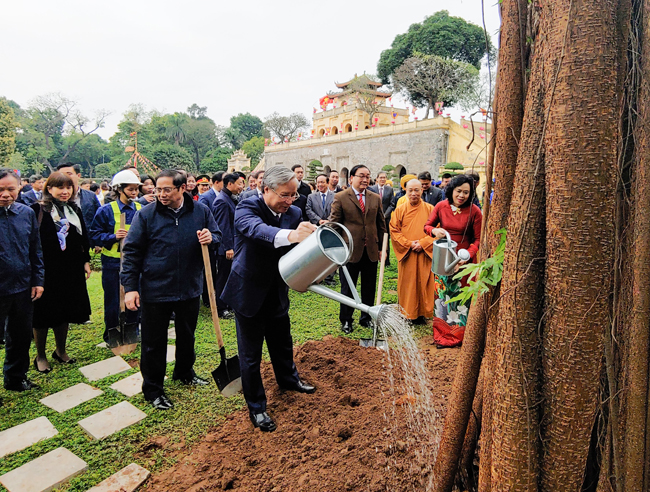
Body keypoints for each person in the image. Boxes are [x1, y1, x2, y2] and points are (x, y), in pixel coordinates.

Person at [221, 166, 317, 432]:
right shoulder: (246, 208)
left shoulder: (295, 212)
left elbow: (302, 246)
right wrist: (292, 235)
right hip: (248, 291)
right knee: (250, 356)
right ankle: (257, 407)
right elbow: (258, 230)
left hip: (277, 289)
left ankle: (288, 379)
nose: (289, 201)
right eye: (284, 195)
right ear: (266, 189)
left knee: (282, 342)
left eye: (293, 195)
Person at [121, 169, 222, 410]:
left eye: (167, 189)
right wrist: (130, 288)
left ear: (182, 189)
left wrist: (212, 237)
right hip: (156, 288)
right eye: (158, 189)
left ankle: (184, 372)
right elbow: (132, 252)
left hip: (189, 286)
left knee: (187, 335)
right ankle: (153, 389)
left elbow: (217, 236)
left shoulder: (201, 211)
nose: (161, 194)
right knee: (153, 342)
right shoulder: (146, 215)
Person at [32, 172, 92, 372]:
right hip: (46, 270)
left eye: (69, 187)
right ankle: (40, 355)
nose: (65, 191)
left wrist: (85, 261)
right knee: (42, 313)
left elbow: (82, 238)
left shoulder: (74, 210)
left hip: (70, 269)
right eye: (60, 187)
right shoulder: (37, 210)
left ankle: (60, 350)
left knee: (64, 310)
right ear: (49, 189)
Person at [424, 174, 482, 347]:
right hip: (443, 257)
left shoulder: (475, 211)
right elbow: (427, 226)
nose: (461, 195)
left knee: (461, 298)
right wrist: (434, 231)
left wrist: (467, 255)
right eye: (459, 191)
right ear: (451, 190)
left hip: (464, 261)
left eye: (466, 192)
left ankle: (459, 336)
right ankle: (441, 336)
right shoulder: (441, 207)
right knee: (442, 297)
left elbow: (479, 239)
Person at [0, 169, 44, 395]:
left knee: (20, 336)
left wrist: (38, 279)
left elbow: (35, 249)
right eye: (0, 190)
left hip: (23, 287)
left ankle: (16, 378)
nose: (5, 194)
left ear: (19, 187)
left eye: (10, 189)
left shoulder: (26, 213)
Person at [329, 165, 387, 333]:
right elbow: (335, 225)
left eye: (368, 176)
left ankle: (366, 317)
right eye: (361, 176)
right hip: (349, 251)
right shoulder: (340, 197)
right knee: (348, 287)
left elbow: (381, 225)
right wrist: (334, 248)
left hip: (371, 251)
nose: (365, 179)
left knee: (369, 287)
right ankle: (346, 320)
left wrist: (383, 249)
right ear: (351, 178)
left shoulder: (375, 198)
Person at [89, 170, 143, 344]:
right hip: (112, 262)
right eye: (131, 189)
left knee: (135, 296)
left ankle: (132, 329)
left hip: (135, 262)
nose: (135, 193)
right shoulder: (105, 211)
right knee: (112, 300)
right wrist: (113, 237)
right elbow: (94, 235)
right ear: (120, 189)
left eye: (136, 189)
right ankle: (111, 332)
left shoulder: (142, 210)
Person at [389, 179, 436, 324]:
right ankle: (407, 314)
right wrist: (408, 244)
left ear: (422, 190)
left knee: (425, 281)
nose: (414, 193)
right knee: (407, 284)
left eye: (417, 190)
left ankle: (423, 313)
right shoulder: (400, 210)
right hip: (408, 253)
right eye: (410, 190)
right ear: (406, 192)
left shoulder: (430, 209)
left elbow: (438, 230)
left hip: (425, 252)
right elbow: (394, 230)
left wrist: (423, 243)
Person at [212, 173, 242, 319]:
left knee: (231, 276)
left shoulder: (230, 199)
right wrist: (228, 247)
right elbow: (222, 227)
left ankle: (229, 304)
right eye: (239, 183)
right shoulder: (222, 201)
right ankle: (221, 307)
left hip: (233, 246)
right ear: (229, 184)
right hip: (226, 248)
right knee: (223, 277)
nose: (241, 187)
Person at [56, 163, 100, 238]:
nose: (65, 177)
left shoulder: (90, 196)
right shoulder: (53, 197)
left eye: (69, 174)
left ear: (78, 176)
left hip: (87, 240)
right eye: (61, 174)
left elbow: (99, 219)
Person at [369, 171, 394, 266]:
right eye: (381, 177)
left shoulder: (389, 189)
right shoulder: (372, 189)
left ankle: (386, 260)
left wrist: (385, 215)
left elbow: (392, 204)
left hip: (385, 218)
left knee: (385, 238)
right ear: (377, 179)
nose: (383, 179)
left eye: (384, 177)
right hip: (374, 218)